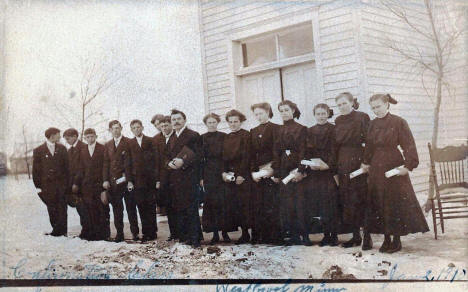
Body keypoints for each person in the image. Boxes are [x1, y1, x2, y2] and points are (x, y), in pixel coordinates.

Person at [362, 94, 429, 253]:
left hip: (393, 163)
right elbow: (369, 146)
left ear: (386, 105)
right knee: (379, 201)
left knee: (394, 201)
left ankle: (397, 240)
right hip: (377, 166)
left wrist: (408, 165)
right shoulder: (371, 125)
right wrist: (365, 162)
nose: (376, 110)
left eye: (378, 106)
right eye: (373, 108)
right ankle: (386, 239)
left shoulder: (399, 122)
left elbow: (409, 145)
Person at [334, 92, 372, 249]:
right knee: (348, 199)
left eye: (344, 103)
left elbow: (369, 141)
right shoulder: (338, 120)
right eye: (339, 105)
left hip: (358, 159)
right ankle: (355, 236)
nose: (342, 107)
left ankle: (367, 237)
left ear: (351, 102)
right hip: (343, 160)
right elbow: (336, 144)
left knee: (360, 197)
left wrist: (366, 161)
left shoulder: (362, 117)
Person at [299, 104, 339, 246]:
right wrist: (310, 164)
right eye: (318, 114)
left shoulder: (334, 129)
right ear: (314, 115)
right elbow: (306, 151)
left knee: (330, 203)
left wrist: (328, 165)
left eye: (324, 113)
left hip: (328, 171)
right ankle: (324, 234)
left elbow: (335, 150)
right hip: (314, 173)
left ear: (328, 114)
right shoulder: (310, 131)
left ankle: (332, 235)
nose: (321, 116)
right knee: (319, 204)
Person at [271, 100, 309, 245]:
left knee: (300, 203)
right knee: (287, 204)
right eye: (281, 111)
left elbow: (304, 151)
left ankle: (304, 235)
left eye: (286, 110)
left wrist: (300, 171)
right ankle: (292, 235)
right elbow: (276, 152)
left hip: (296, 168)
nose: (284, 113)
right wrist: (276, 172)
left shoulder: (301, 128)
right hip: (283, 168)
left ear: (293, 110)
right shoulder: (278, 130)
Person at [166, 109, 203, 248]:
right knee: (180, 209)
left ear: (184, 120)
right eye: (173, 119)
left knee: (191, 209)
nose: (176, 121)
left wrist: (184, 162)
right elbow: (167, 155)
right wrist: (168, 164)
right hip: (175, 178)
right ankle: (186, 236)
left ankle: (195, 238)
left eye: (178, 119)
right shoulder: (171, 137)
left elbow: (199, 156)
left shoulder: (193, 135)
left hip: (189, 177)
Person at [249, 103, 281, 245]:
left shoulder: (276, 128)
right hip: (258, 172)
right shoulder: (253, 130)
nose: (258, 116)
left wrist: (273, 168)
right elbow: (251, 153)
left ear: (268, 112)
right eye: (256, 114)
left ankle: (274, 236)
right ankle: (260, 235)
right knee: (259, 204)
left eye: (261, 113)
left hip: (271, 170)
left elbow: (278, 151)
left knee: (272, 203)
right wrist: (253, 171)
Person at [102, 120, 139, 242]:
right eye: (113, 128)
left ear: (121, 128)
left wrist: (129, 180)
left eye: (118, 128)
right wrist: (105, 180)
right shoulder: (107, 145)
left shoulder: (129, 142)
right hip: (113, 183)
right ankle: (119, 233)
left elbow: (132, 162)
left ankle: (135, 233)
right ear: (110, 130)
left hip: (127, 181)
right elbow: (106, 163)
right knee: (117, 210)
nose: (116, 130)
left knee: (131, 208)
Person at [200, 113, 231, 244]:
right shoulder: (201, 138)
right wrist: (201, 177)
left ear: (217, 123)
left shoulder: (224, 136)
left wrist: (227, 172)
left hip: (222, 171)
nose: (212, 124)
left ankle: (225, 232)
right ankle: (214, 234)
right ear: (206, 124)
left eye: (214, 122)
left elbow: (228, 155)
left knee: (224, 202)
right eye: (209, 122)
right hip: (208, 173)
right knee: (211, 203)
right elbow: (200, 160)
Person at [222, 109, 252, 244]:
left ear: (241, 122)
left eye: (236, 121)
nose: (233, 124)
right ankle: (242, 232)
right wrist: (224, 172)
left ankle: (247, 233)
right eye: (231, 122)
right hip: (230, 176)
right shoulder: (227, 137)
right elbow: (223, 158)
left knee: (245, 205)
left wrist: (242, 175)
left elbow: (247, 157)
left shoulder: (246, 135)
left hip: (242, 176)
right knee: (235, 206)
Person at [32, 127, 69, 236]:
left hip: (61, 185)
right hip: (47, 186)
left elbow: (67, 168)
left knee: (62, 208)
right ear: (52, 135)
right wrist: (38, 186)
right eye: (58, 134)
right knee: (52, 208)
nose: (60, 136)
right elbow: (36, 170)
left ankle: (63, 231)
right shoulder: (38, 150)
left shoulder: (62, 149)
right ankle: (56, 230)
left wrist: (66, 184)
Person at [73, 128, 107, 241]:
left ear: (96, 136)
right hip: (86, 185)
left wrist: (104, 182)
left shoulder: (102, 148)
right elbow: (80, 168)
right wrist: (77, 183)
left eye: (92, 136)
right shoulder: (82, 150)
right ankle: (91, 233)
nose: (90, 139)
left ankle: (102, 233)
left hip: (99, 184)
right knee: (89, 209)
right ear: (85, 138)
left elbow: (105, 166)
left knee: (101, 209)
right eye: (87, 137)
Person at [127, 119, 158, 242]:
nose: (136, 130)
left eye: (138, 127)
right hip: (137, 180)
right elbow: (127, 164)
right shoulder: (129, 144)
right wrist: (129, 180)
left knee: (151, 205)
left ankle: (153, 231)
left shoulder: (150, 141)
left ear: (142, 127)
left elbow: (155, 160)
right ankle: (146, 232)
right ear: (131, 130)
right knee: (141, 206)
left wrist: (156, 178)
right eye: (134, 128)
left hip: (149, 180)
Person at [154, 116, 178, 241]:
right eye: (162, 126)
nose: (164, 128)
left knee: (178, 206)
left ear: (171, 125)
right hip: (164, 178)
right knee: (169, 207)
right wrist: (158, 180)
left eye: (166, 125)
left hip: (177, 176)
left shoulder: (176, 137)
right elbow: (157, 160)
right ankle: (173, 233)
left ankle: (182, 232)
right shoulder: (158, 140)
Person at [63, 128, 89, 239]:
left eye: (68, 138)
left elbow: (82, 167)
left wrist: (76, 183)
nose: (67, 141)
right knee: (80, 209)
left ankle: (88, 231)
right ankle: (86, 231)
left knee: (86, 209)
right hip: (74, 186)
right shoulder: (69, 151)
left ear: (75, 136)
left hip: (83, 185)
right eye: (65, 139)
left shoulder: (84, 147)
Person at [151, 114, 166, 216]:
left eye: (159, 123)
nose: (158, 126)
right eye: (156, 125)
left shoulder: (173, 134)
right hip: (161, 169)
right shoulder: (155, 139)